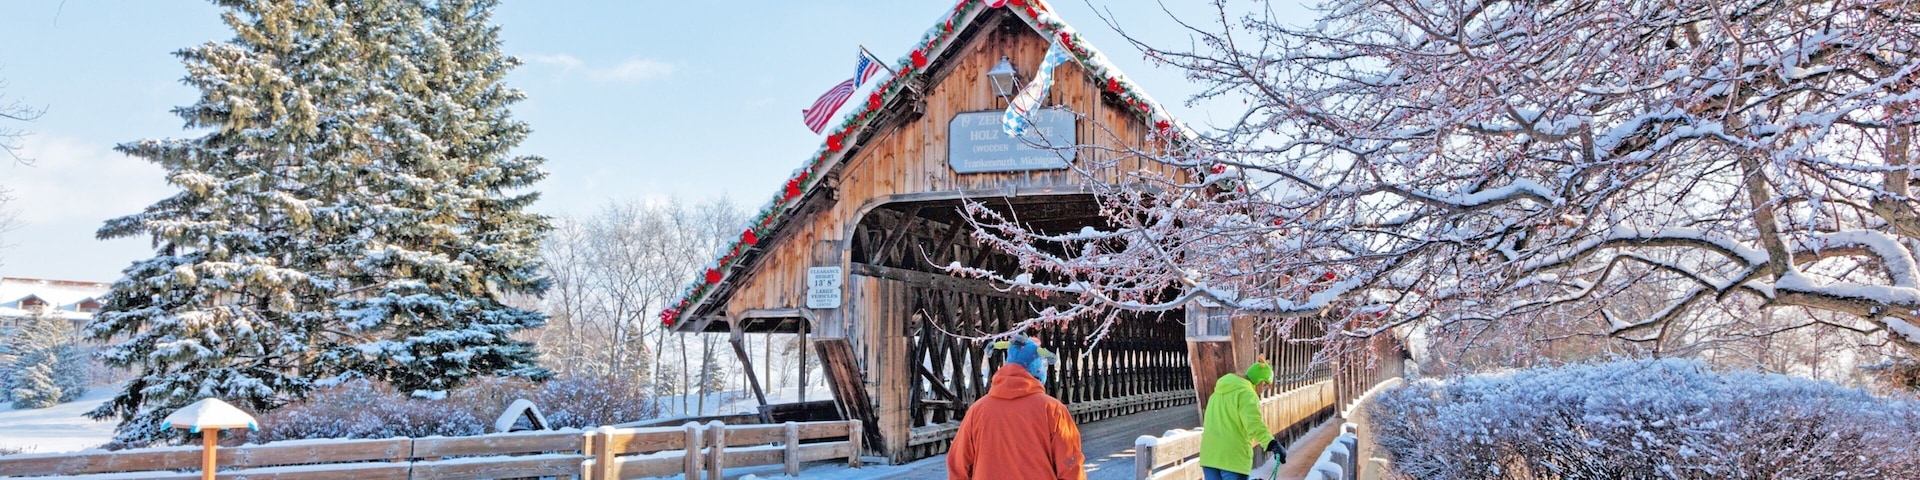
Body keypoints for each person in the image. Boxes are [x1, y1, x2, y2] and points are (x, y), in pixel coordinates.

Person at [947, 335, 1086, 480]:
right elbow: (1070, 465)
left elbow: (958, 464)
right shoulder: (1053, 410)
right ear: (1037, 370)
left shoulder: (977, 411)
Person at [1199, 358, 1286, 480]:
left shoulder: (1216, 394)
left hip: (1209, 458)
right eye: (1265, 386)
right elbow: (1253, 424)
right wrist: (1271, 443)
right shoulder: (1247, 394)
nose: (1263, 391)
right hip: (1233, 459)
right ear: (1259, 381)